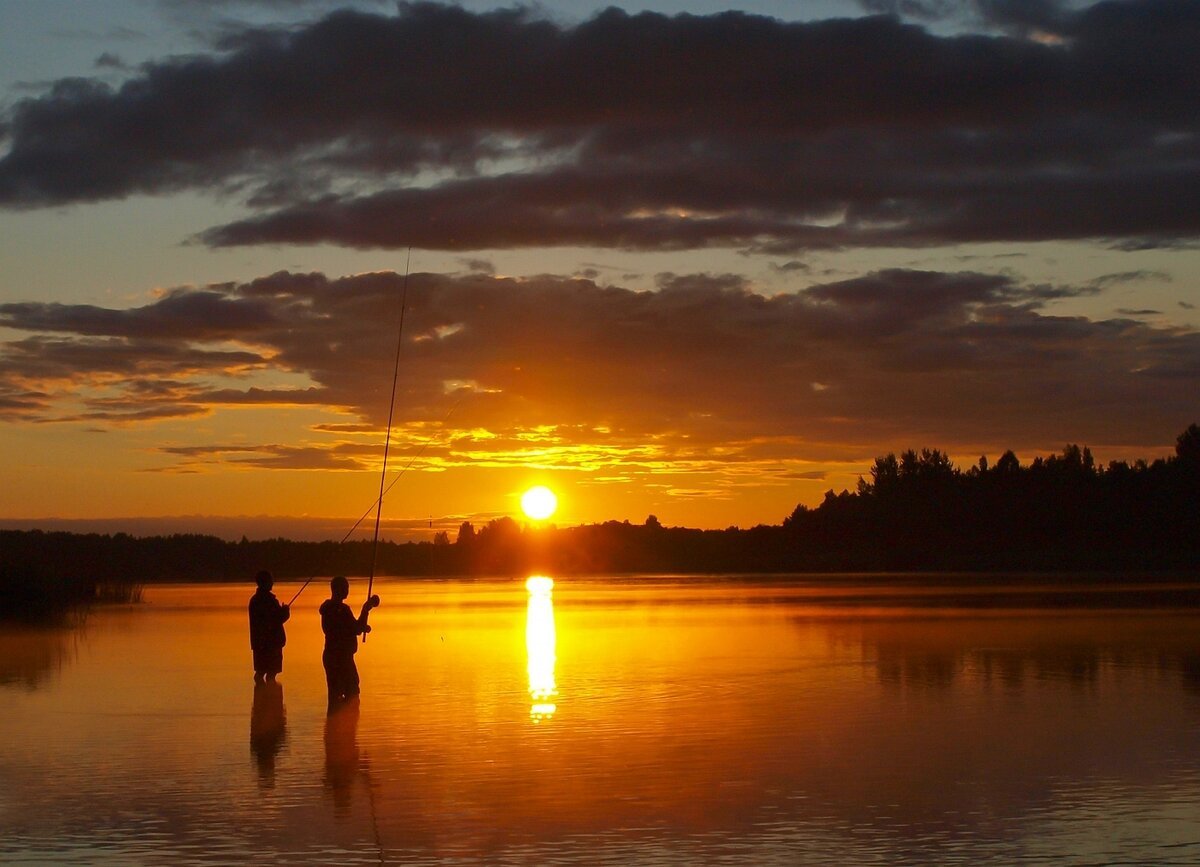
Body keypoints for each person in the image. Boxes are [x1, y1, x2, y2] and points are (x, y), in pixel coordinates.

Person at [320, 576, 380, 710]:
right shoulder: (339, 610)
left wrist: (363, 622)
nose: (347, 590)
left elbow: (352, 628)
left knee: (337, 693)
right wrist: (365, 610)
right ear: (337, 589)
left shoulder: (329, 609)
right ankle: (343, 726)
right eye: (345, 588)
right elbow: (355, 628)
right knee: (351, 692)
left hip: (334, 656)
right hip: (340, 658)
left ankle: (337, 727)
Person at [248, 569, 290, 682]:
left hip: (259, 644)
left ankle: (261, 696)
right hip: (271, 644)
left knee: (260, 671)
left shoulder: (254, 600)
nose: (272, 583)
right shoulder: (269, 601)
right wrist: (285, 612)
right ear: (265, 582)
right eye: (270, 580)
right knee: (271, 673)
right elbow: (276, 619)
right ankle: (268, 697)